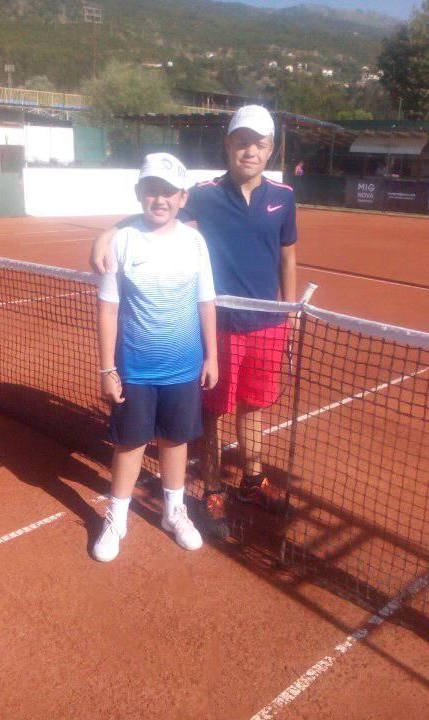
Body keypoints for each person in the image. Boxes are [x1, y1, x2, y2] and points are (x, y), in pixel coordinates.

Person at [91, 105, 297, 540]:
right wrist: (107, 234)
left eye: (259, 144)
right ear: (228, 145)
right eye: (242, 141)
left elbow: (287, 256)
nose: (250, 150)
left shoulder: (284, 196)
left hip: (268, 323)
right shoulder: (202, 193)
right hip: (220, 323)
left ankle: (253, 478)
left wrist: (290, 310)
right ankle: (213, 486)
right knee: (214, 409)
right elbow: (156, 208)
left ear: (271, 150)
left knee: (254, 405)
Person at [93, 153, 217, 562]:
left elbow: (206, 301)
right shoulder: (121, 241)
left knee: (175, 441)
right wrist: (107, 368)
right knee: (129, 444)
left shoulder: (195, 242)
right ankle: (117, 518)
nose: (159, 199)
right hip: (134, 370)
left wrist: (212, 356)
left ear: (183, 197)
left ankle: (173, 512)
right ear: (139, 193)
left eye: (168, 191)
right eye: (151, 190)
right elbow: (108, 309)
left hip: (184, 367)